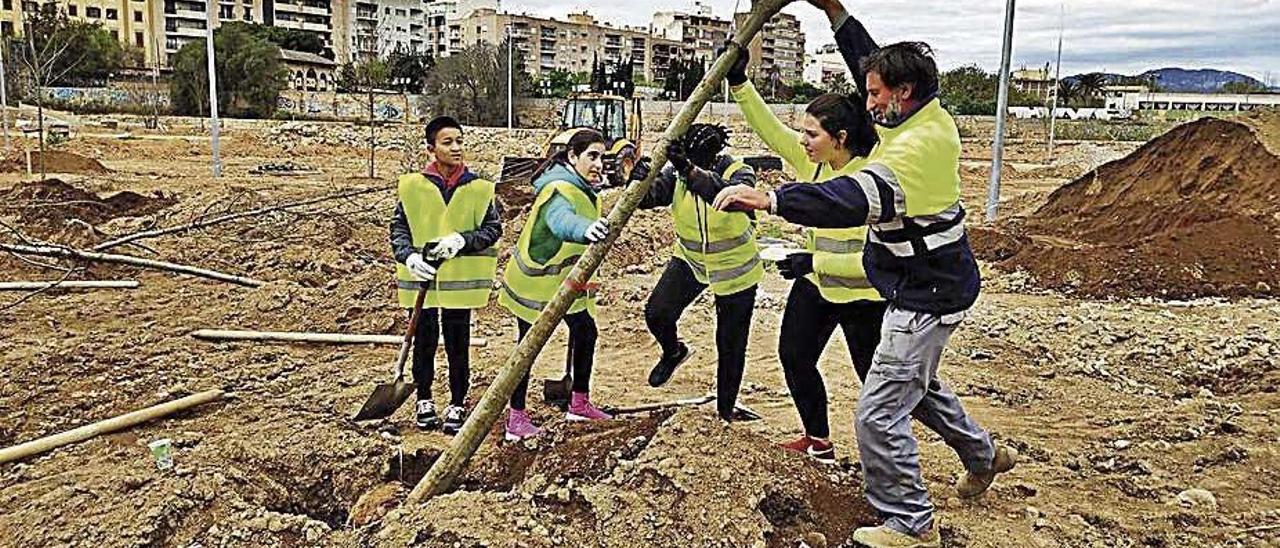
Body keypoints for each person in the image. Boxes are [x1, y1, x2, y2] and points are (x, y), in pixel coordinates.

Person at [713, 2, 1017, 545]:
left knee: (877, 415)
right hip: (914, 285)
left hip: (924, 294)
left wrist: (771, 200)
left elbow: (848, 200)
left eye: (875, 94)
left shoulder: (913, 151)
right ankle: (984, 454)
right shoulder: (920, 115)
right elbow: (865, 65)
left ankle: (908, 523)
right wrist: (833, 9)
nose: (868, 100)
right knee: (914, 391)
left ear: (901, 93)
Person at [725, 41, 885, 463]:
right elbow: (770, 130)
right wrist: (739, 81)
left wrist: (811, 261)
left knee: (877, 380)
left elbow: (875, 266)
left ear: (841, 138)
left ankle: (903, 456)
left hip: (864, 297)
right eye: (804, 131)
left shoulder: (870, 179)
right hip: (817, 285)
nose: (803, 140)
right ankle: (819, 441)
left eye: (812, 133)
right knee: (795, 356)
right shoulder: (813, 162)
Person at [631, 123, 760, 421]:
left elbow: (725, 196)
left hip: (734, 268)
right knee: (657, 313)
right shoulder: (677, 173)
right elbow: (651, 196)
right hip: (691, 261)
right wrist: (637, 181)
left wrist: (690, 170)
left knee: (729, 343)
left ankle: (725, 411)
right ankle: (674, 351)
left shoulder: (738, 171)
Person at [497, 128, 614, 441]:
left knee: (585, 331)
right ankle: (516, 419)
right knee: (528, 346)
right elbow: (562, 221)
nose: (599, 163)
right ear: (572, 157)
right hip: (535, 283)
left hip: (566, 283)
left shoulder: (585, 188)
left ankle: (579, 402)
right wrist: (585, 229)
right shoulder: (559, 189)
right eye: (592, 156)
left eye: (602, 156)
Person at [389, 115, 502, 434]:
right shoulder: (412, 186)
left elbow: (493, 229)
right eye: (448, 142)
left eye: (460, 141)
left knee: (457, 343)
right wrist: (408, 256)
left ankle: (456, 401)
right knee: (423, 341)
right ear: (431, 148)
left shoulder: (479, 188)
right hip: (421, 282)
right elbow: (399, 228)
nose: (456, 148)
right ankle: (423, 398)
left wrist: (462, 240)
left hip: (459, 286)